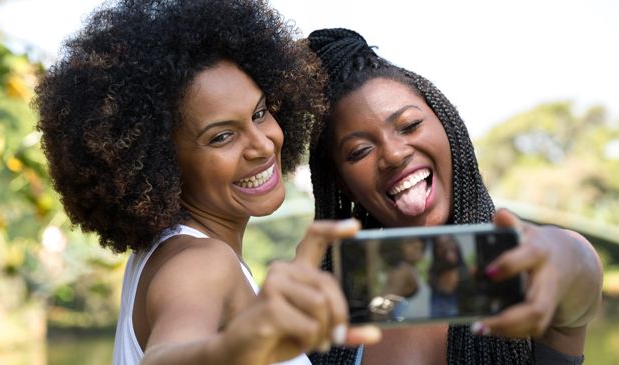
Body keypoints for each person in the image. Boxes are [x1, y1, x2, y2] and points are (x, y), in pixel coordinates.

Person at [34, 2, 381, 364]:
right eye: (221, 137)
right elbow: (166, 356)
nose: (263, 145)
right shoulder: (202, 263)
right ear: (161, 162)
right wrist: (231, 348)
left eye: (259, 114)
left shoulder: (164, 254)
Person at [304, 28, 603, 365]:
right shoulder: (339, 303)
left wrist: (564, 254)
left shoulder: (517, 263)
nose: (393, 154)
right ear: (343, 184)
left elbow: (579, 274)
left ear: (448, 126)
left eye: (409, 125)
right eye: (359, 151)